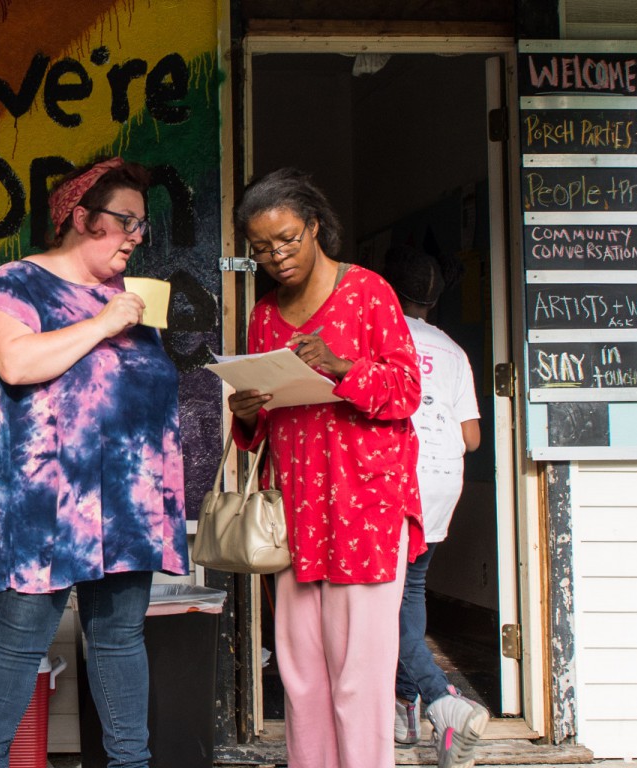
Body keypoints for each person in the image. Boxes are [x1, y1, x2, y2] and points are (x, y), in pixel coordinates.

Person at [0, 157, 187, 768]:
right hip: (43, 503)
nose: (137, 237)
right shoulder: (19, 282)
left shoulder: (132, 300)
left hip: (125, 503)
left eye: (143, 226)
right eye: (126, 222)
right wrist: (103, 321)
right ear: (81, 218)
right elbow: (16, 363)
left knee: (119, 640)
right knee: (18, 639)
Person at [227, 168, 424, 768]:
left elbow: (407, 390)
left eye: (286, 239)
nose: (276, 256)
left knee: (359, 680)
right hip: (294, 513)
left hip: (364, 509)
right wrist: (247, 412)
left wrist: (341, 367)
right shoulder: (263, 315)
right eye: (261, 249)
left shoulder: (368, 292)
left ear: (315, 227)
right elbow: (266, 425)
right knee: (303, 679)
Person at [380, 246, 489, 767]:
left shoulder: (382, 336)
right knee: (412, 588)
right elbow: (472, 438)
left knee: (381, 598)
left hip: (396, 477)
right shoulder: (452, 350)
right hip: (443, 479)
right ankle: (407, 706)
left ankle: (439, 699)